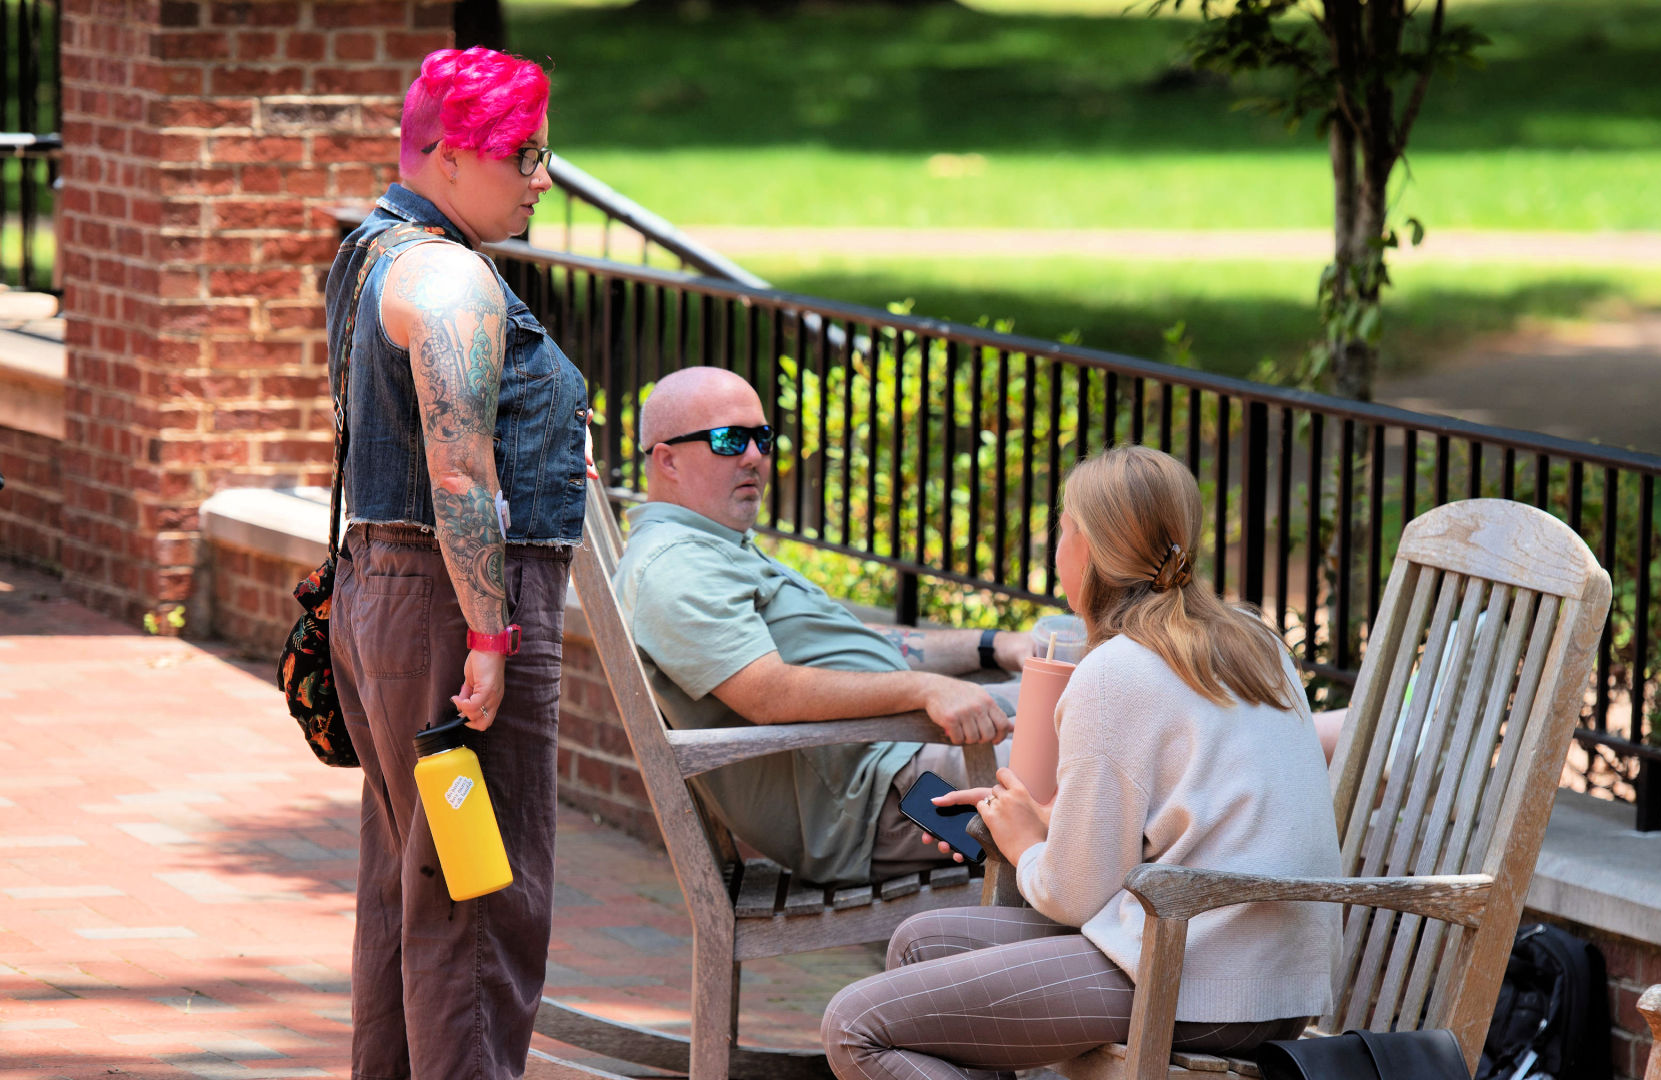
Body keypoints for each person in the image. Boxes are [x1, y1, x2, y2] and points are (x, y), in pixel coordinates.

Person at [820, 445, 1343, 1080]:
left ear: (1088, 549)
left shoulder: (1116, 670)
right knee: (920, 943)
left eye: (1063, 527)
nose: (1057, 546)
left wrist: (1024, 844)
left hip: (1197, 980)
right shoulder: (1257, 642)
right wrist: (1049, 827)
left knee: (855, 1025)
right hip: (1275, 982)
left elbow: (1071, 895)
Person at [324, 47, 586, 1079]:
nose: (541, 177)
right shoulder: (446, 276)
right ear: (446, 155)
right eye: (522, 154)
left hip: (389, 598)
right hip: (455, 608)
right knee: (481, 909)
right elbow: (462, 471)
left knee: (413, 892)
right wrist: (489, 634)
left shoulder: (371, 250)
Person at [612, 365, 1031, 886]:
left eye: (761, 437)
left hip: (899, 759)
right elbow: (767, 695)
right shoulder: (676, 568)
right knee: (1108, 750)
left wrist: (993, 647)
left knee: (1083, 684)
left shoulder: (713, 547)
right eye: (728, 440)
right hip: (898, 798)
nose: (754, 457)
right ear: (667, 459)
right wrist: (925, 689)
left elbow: (861, 652)